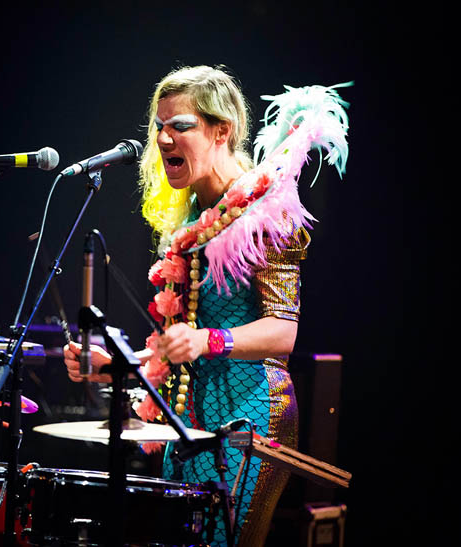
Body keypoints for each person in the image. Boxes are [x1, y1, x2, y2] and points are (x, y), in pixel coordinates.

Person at [64, 65, 350, 546]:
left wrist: (205, 341)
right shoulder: (194, 217)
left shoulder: (266, 213)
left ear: (223, 131)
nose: (164, 138)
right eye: (159, 126)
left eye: (181, 126)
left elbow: (283, 333)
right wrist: (115, 366)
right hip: (191, 421)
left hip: (252, 419)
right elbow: (181, 346)